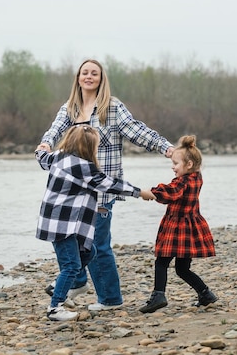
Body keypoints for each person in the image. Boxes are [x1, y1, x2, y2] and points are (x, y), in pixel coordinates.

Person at [38, 59, 175, 311]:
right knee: (73, 241)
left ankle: (110, 299)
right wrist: (46, 144)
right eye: (85, 72)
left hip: (102, 189)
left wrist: (166, 148)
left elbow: (137, 131)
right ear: (78, 77)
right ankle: (78, 281)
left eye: (94, 73)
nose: (89, 76)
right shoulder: (69, 108)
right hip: (71, 193)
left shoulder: (111, 107)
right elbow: (54, 131)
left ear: (101, 79)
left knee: (98, 244)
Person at [35, 124, 155, 321]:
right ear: (88, 148)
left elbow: (42, 158)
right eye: (96, 146)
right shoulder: (84, 167)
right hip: (61, 225)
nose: (97, 150)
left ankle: (64, 284)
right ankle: (55, 308)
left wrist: (41, 148)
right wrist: (140, 192)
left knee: (90, 252)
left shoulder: (58, 157)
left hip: (56, 220)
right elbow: (111, 185)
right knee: (72, 265)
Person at [138, 135, 218, 314]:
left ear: (188, 165)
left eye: (176, 164)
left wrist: (150, 193)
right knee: (182, 268)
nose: (173, 167)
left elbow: (170, 192)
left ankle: (158, 295)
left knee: (161, 262)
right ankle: (206, 294)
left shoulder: (182, 181)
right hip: (191, 227)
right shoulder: (197, 177)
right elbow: (174, 191)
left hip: (177, 228)